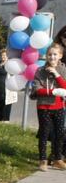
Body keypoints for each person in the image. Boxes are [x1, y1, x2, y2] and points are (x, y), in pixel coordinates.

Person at [31, 43, 66, 171]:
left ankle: (57, 159)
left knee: (60, 133)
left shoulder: (63, 69)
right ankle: (43, 160)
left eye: (55, 54)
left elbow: (65, 86)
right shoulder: (40, 71)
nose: (52, 57)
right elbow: (36, 89)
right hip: (44, 107)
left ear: (60, 56)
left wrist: (56, 74)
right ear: (46, 56)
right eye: (50, 54)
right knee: (45, 133)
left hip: (59, 107)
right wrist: (52, 92)